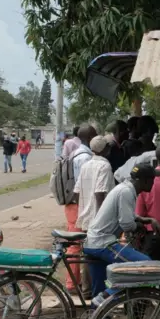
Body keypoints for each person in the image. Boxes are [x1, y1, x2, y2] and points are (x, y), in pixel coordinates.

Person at [83, 164, 160, 319]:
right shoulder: (127, 192)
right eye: (152, 179)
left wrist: (142, 219)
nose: (153, 182)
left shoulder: (123, 189)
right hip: (104, 243)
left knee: (100, 298)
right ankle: (108, 294)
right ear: (143, 181)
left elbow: (126, 216)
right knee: (146, 265)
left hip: (92, 242)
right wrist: (140, 227)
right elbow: (126, 223)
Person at [64, 125, 98, 295]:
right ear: (90, 137)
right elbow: (83, 187)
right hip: (78, 205)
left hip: (73, 204)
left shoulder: (75, 153)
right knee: (76, 245)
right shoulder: (85, 157)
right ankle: (72, 284)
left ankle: (74, 282)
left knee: (76, 244)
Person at [74, 136, 115, 232]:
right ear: (104, 149)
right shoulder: (105, 166)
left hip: (86, 218)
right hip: (98, 220)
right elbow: (100, 193)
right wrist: (102, 218)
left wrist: (83, 209)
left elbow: (76, 192)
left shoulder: (85, 166)